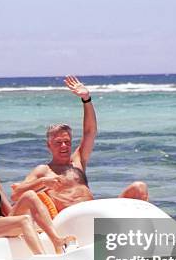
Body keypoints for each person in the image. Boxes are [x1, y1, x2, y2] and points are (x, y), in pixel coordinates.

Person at [11, 75, 149, 212]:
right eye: (58, 142)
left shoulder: (78, 161)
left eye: (67, 142)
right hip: (71, 220)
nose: (64, 146)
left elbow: (90, 131)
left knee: (139, 188)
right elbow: (16, 195)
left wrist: (86, 99)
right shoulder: (44, 170)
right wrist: (41, 182)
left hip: (94, 214)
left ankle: (141, 231)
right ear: (49, 146)